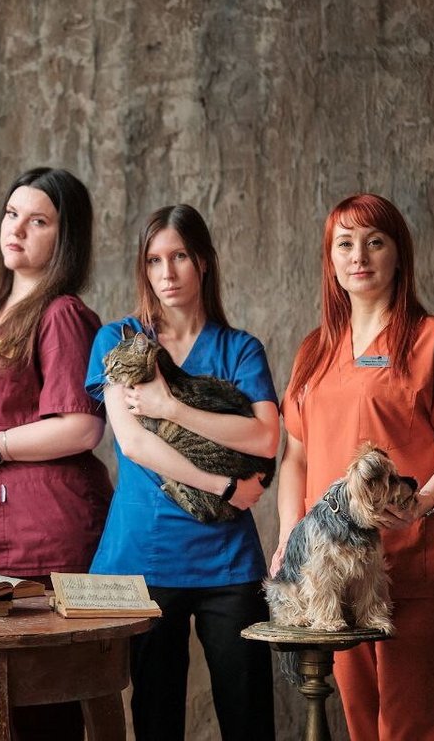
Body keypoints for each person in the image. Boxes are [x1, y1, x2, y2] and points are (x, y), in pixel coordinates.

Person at [273, 193, 434, 741]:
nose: (359, 256)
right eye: (345, 244)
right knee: (361, 724)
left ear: (398, 253)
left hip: (416, 563)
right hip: (335, 570)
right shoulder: (314, 351)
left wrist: (420, 506)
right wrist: (290, 535)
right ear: (331, 259)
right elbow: (296, 456)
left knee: (412, 728)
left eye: (375, 241)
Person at [0, 167, 113, 741]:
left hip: (40, 539)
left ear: (64, 237)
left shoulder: (62, 315)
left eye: (38, 221)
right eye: (12, 215)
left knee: (35, 708)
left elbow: (82, 427)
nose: (17, 229)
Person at [85, 204, 279, 741]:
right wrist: (223, 485)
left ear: (204, 262)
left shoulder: (239, 348)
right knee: (156, 719)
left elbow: (266, 437)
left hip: (227, 560)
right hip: (146, 556)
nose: (166, 273)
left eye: (180, 257)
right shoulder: (119, 339)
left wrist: (171, 407)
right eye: (154, 260)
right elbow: (133, 443)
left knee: (250, 719)